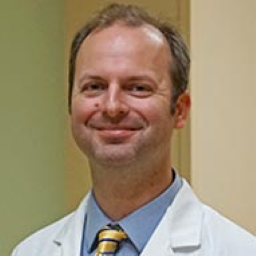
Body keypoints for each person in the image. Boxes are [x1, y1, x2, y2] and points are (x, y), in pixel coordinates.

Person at [12, 3, 256, 256]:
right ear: (70, 104)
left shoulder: (238, 250)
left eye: (138, 87)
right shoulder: (30, 251)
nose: (112, 106)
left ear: (180, 110)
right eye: (94, 86)